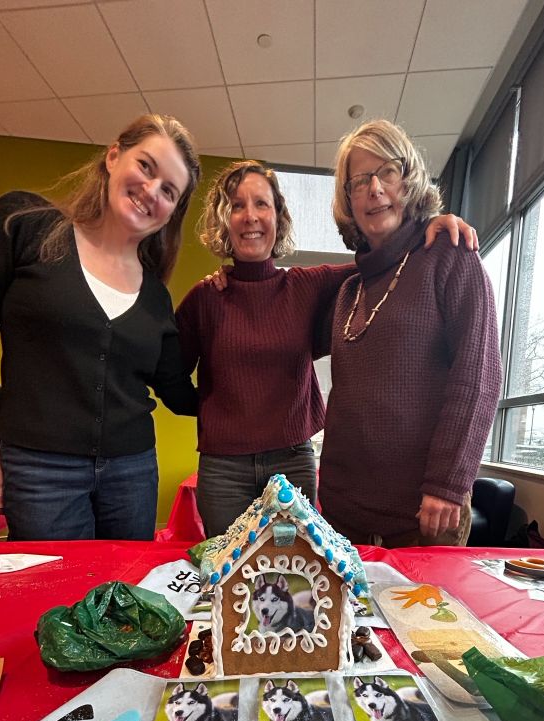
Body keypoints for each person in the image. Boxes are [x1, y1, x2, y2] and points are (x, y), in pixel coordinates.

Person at [176, 159, 477, 538]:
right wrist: (215, 404)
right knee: (229, 574)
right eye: (237, 205)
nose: (250, 216)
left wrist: (426, 227)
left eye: (261, 204)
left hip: (293, 463)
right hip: (224, 472)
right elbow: (169, 377)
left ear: (278, 216)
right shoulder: (205, 298)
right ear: (224, 218)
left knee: (298, 577)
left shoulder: (309, 286)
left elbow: (382, 261)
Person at [0, 114, 200, 541]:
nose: (151, 191)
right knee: (52, 595)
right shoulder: (24, 226)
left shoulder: (156, 296)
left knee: (126, 595)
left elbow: (178, 391)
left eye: (169, 191)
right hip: (38, 471)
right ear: (114, 156)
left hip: (132, 473)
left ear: (172, 211)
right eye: (146, 167)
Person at [318, 120, 501, 548]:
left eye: (387, 172)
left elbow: (479, 377)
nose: (374, 189)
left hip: (423, 514)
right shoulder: (350, 290)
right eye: (359, 181)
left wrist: (447, 483)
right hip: (344, 516)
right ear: (348, 200)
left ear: (410, 180)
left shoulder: (450, 258)